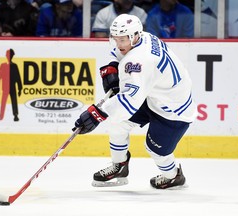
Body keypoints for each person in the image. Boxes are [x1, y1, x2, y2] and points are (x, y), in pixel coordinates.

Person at [73, 14, 197, 189]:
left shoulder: (139, 61)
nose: (119, 44)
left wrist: (96, 114)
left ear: (134, 36)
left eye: (122, 40)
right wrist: (112, 66)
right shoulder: (144, 37)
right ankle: (120, 166)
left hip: (174, 110)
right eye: (116, 39)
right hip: (155, 95)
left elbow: (127, 103)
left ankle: (174, 176)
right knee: (118, 123)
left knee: (155, 150)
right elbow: (119, 54)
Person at [0, 49, 23, 121]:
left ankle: (15, 115)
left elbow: (18, 78)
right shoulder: (3, 65)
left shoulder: (15, 66)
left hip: (12, 87)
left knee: (14, 101)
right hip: (5, 87)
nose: (8, 56)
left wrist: (20, 89)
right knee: (3, 101)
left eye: (10, 55)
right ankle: (1, 115)